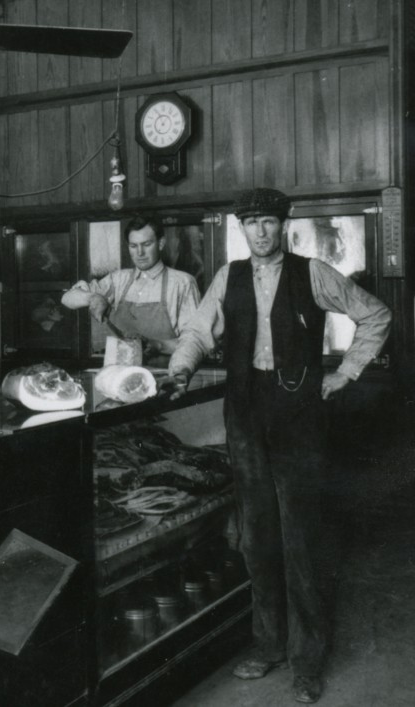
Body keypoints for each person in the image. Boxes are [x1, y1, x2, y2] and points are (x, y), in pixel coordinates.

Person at [166, 188, 392, 704]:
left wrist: (347, 372)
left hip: (299, 417)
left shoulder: (311, 273)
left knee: (301, 538)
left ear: (283, 226)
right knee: (256, 535)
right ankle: (267, 646)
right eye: (252, 223)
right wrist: (180, 368)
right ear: (241, 229)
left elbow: (375, 315)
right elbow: (199, 331)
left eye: (268, 222)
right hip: (245, 413)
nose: (261, 232)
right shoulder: (228, 277)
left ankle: (307, 661)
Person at [61, 215, 201, 366]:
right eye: (133, 246)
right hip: (119, 377)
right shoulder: (118, 280)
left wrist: (157, 345)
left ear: (160, 244)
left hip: (165, 375)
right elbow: (67, 299)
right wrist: (93, 298)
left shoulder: (182, 282)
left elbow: (195, 342)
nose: (140, 253)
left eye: (146, 244)